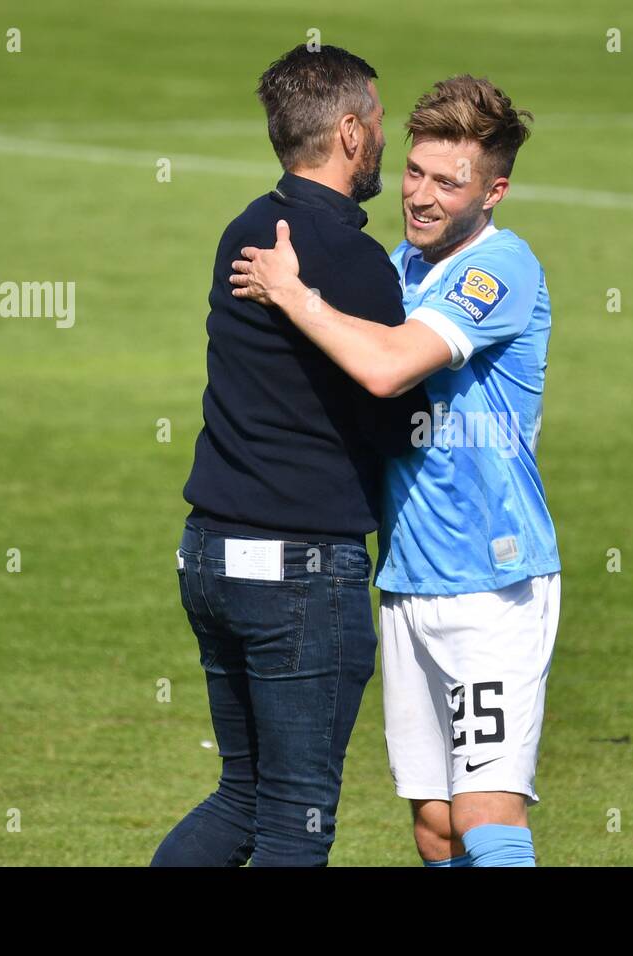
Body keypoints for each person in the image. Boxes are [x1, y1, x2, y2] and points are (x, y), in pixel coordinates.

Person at [231, 75, 560, 867]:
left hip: (493, 582)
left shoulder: (499, 269)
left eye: (450, 182)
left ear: (494, 191)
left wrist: (294, 295)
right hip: (408, 582)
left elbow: (388, 369)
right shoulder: (399, 268)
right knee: (435, 827)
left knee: (485, 817)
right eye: (415, 171)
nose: (421, 195)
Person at [151, 44, 427, 867]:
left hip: (210, 558)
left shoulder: (245, 228)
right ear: (349, 131)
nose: (384, 137)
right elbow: (397, 417)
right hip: (300, 577)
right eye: (378, 120)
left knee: (242, 799)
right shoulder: (351, 261)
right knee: (294, 824)